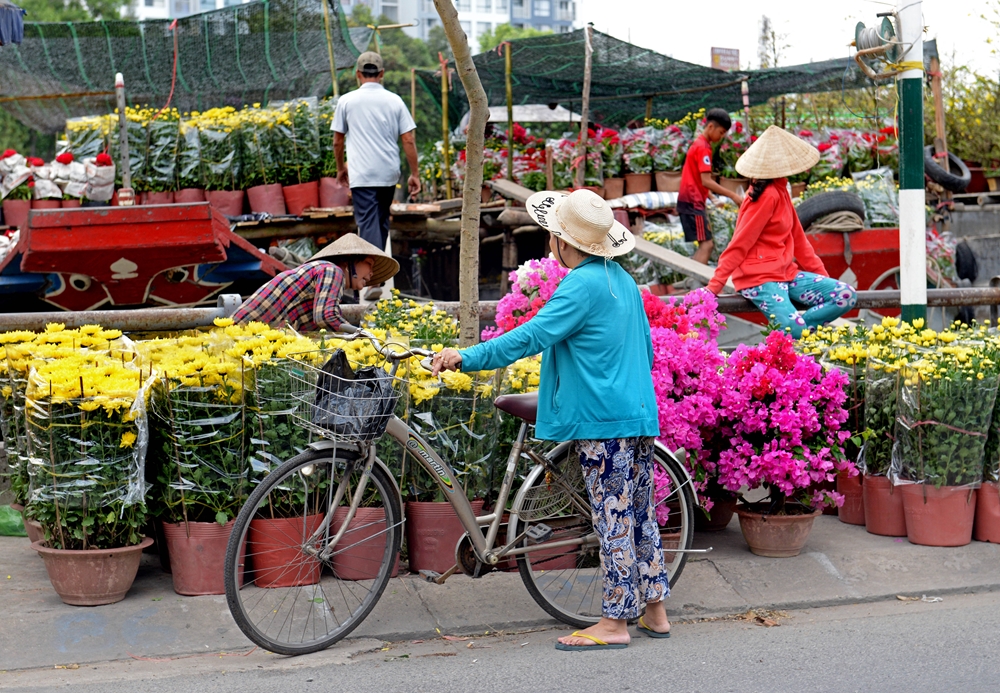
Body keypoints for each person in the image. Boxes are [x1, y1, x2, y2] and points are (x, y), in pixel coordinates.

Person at [431, 189, 670, 652]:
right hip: (638, 413)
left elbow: (533, 336)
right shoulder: (621, 279)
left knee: (613, 518)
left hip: (604, 421)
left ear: (564, 242)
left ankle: (615, 622)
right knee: (639, 513)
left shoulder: (581, 284)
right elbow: (645, 346)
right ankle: (655, 610)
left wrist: (466, 356)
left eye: (552, 237)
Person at [706, 125, 857, 336]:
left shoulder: (781, 190)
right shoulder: (766, 196)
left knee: (845, 294)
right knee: (794, 329)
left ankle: (794, 331)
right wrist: (715, 286)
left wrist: (823, 279)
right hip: (759, 279)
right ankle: (793, 334)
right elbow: (740, 243)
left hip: (786, 274)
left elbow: (800, 241)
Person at [333, 51, 420, 300]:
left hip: (362, 173)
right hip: (388, 172)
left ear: (358, 74)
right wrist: (415, 174)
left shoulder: (347, 101)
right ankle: (375, 277)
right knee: (381, 223)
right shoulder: (395, 101)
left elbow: (338, 141)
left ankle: (370, 278)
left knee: (369, 223)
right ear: (381, 74)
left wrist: (341, 168)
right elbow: (408, 138)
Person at [231, 234, 399, 331]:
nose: (371, 274)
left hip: (246, 338)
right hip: (239, 337)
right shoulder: (332, 271)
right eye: (369, 264)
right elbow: (326, 317)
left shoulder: (325, 278)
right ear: (351, 260)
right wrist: (362, 336)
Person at [677, 108, 745, 266]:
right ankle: (697, 287)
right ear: (710, 127)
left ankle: (693, 282)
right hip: (693, 203)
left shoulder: (699, 144)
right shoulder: (703, 148)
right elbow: (706, 181)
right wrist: (734, 196)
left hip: (690, 201)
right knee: (707, 245)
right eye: (721, 133)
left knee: (704, 244)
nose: (721, 137)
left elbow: (696, 179)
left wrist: (713, 198)